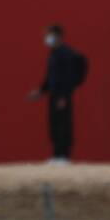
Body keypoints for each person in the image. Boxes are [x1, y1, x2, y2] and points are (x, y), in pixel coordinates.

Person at [27, 25, 87, 164]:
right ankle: (56, 154)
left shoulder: (66, 53)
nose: (46, 38)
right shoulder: (53, 53)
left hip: (63, 95)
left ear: (58, 36)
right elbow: (51, 77)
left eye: (49, 35)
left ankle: (64, 155)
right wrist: (41, 91)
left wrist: (63, 96)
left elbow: (67, 77)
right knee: (54, 125)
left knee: (63, 125)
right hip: (53, 94)